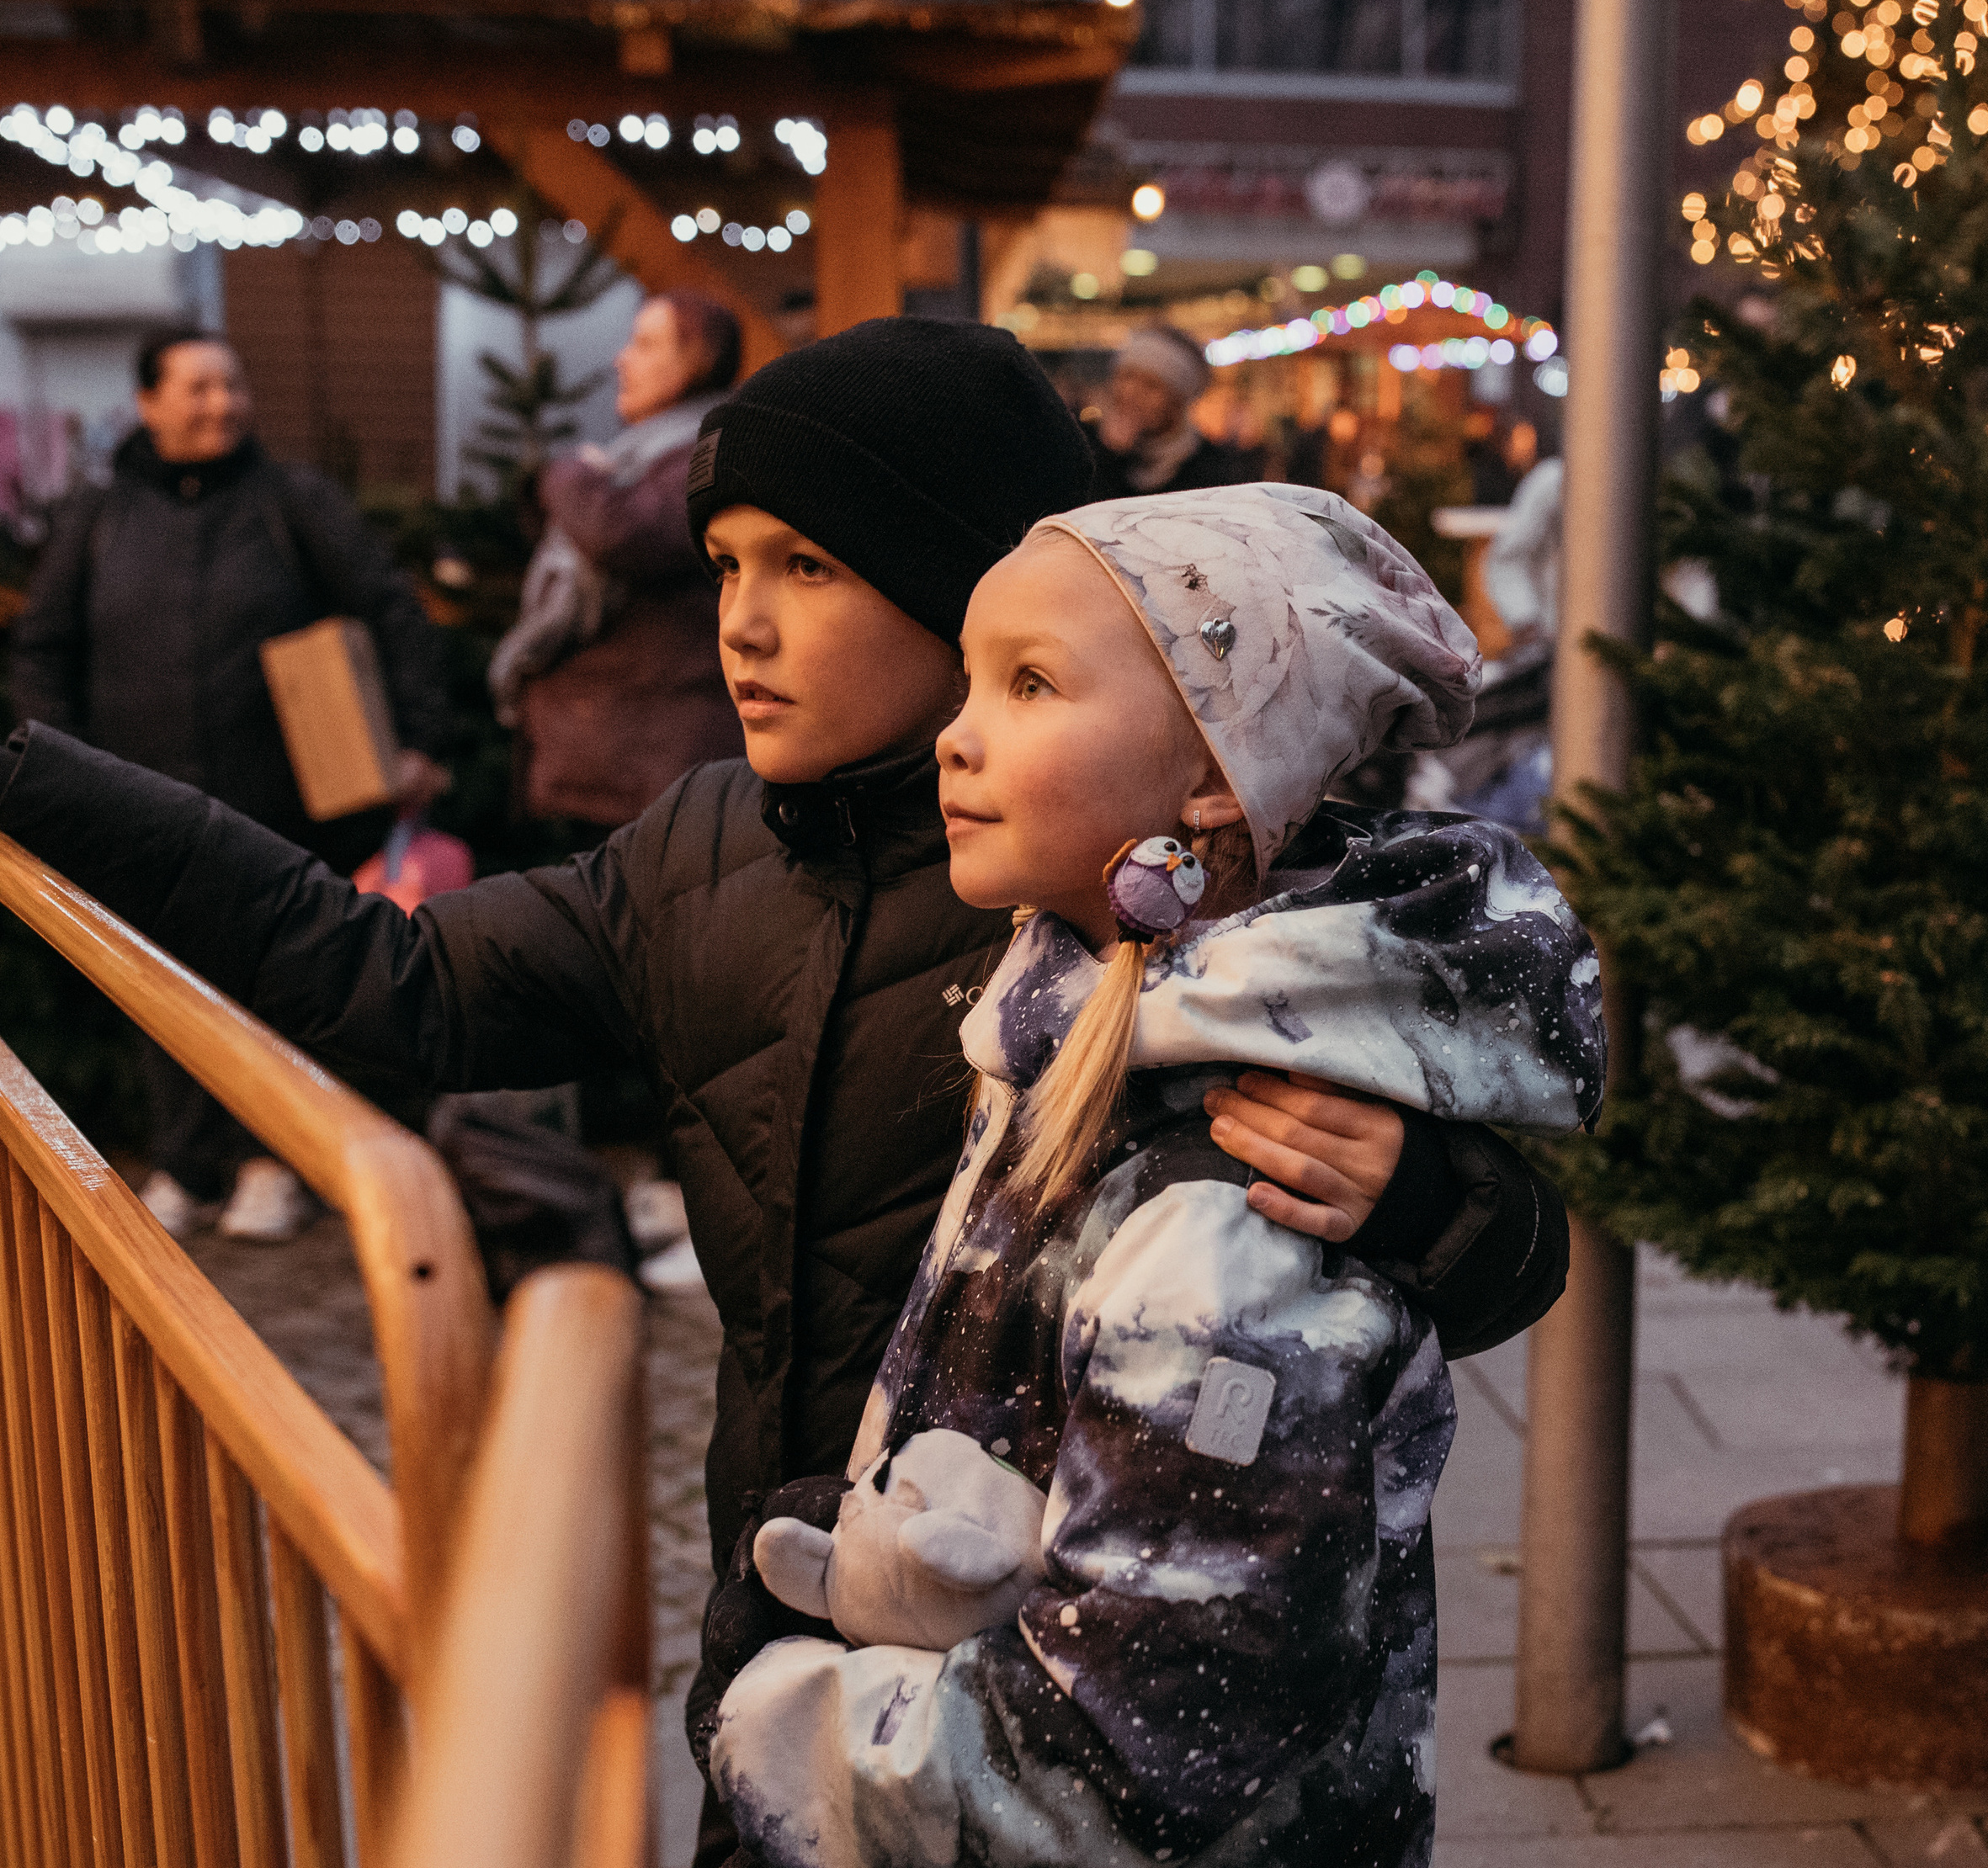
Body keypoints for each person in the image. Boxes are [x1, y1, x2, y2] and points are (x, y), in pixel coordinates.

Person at [0, 317, 1565, 1861]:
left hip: (1063, 1730)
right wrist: (25, 771)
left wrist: (1430, 1198)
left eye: (807, 567)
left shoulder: (1112, 890)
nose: (739, 622)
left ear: (961, 585)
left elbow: (1457, 1272)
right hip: (802, 1656)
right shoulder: (701, 853)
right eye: (727, 561)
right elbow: (388, 982)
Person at [699, 483, 1604, 1865]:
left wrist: (784, 1718)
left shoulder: (1226, 1197)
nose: (955, 737)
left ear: (1211, 780)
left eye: (1032, 685)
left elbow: (1126, 1749)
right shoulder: (1073, 1023)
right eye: (970, 683)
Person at [9, 326, 452, 1243]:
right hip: (135, 802)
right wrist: (63, 771)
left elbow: (388, 608)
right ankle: (187, 1163)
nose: (222, 404)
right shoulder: (97, 518)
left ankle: (273, 1161)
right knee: (154, 981)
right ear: (149, 404)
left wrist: (416, 736)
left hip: (285, 800)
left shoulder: (293, 502)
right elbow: (44, 649)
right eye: (199, 388)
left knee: (279, 979)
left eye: (232, 386)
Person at [490, 288, 747, 828]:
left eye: (645, 344)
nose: (620, 359)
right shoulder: (640, 458)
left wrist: (564, 473)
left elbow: (622, 534)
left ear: (694, 362)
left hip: (657, 770)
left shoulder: (712, 455)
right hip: (620, 764)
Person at [1087, 326, 1258, 499]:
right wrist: (1109, 455)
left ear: (1179, 400)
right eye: (1126, 377)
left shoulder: (1213, 471)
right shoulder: (1089, 450)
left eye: (1151, 386)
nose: (1130, 392)